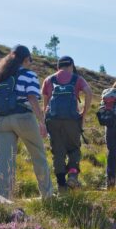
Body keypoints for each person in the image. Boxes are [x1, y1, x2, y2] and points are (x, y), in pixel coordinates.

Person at [0, 45, 55, 199]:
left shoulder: (1, 75)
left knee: (3, 161)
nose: (30, 63)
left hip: (0, 121)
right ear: (25, 59)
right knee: (38, 155)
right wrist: (42, 121)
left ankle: (3, 199)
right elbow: (32, 98)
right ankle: (48, 196)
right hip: (23, 118)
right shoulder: (29, 75)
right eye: (30, 60)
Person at [41, 55, 93, 189]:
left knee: (58, 151)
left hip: (53, 120)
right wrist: (84, 113)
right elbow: (89, 92)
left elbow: (45, 105)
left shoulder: (49, 80)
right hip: (72, 120)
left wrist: (44, 122)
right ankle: (73, 175)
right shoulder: (77, 79)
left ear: (58, 66)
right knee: (74, 149)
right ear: (71, 66)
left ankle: (61, 184)